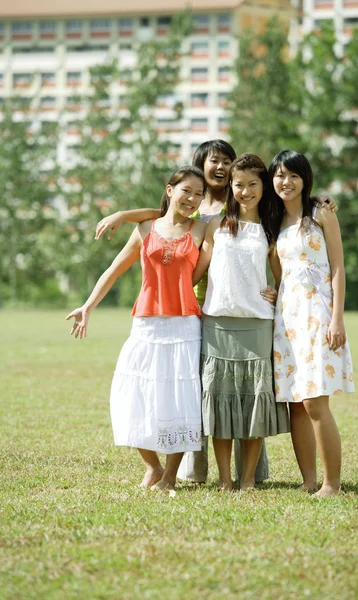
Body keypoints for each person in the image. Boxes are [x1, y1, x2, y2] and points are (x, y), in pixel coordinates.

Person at [94, 139, 271, 485]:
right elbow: (158, 217)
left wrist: (316, 201)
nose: (220, 167)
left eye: (227, 162)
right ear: (200, 165)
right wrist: (122, 214)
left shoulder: (241, 206)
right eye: (213, 161)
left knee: (234, 394)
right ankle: (193, 471)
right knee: (203, 395)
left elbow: (280, 210)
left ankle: (249, 474)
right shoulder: (194, 209)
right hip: (197, 308)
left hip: (222, 308)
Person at [66, 166, 208, 490]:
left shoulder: (201, 229)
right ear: (170, 190)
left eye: (199, 194)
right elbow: (113, 270)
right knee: (132, 396)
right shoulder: (145, 228)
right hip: (146, 324)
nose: (193, 199)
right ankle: (153, 467)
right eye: (186, 190)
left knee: (181, 399)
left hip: (185, 326)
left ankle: (170, 477)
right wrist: (87, 306)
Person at [192, 153, 291, 491]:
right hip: (217, 324)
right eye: (239, 185)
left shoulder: (272, 227)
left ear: (264, 187)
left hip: (258, 324)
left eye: (252, 184)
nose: (245, 191)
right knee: (218, 404)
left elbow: (283, 276)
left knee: (255, 404)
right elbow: (197, 271)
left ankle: (247, 478)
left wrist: (280, 294)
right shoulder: (215, 224)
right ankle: (223, 478)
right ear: (230, 186)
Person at [267, 150, 355, 497]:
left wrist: (337, 318)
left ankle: (331, 484)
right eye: (279, 175)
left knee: (315, 402)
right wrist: (276, 292)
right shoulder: (273, 221)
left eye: (293, 176)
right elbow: (280, 271)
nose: (285, 182)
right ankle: (308, 481)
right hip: (287, 320)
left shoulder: (321, 214)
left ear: (305, 180)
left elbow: (337, 268)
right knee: (295, 403)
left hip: (319, 315)